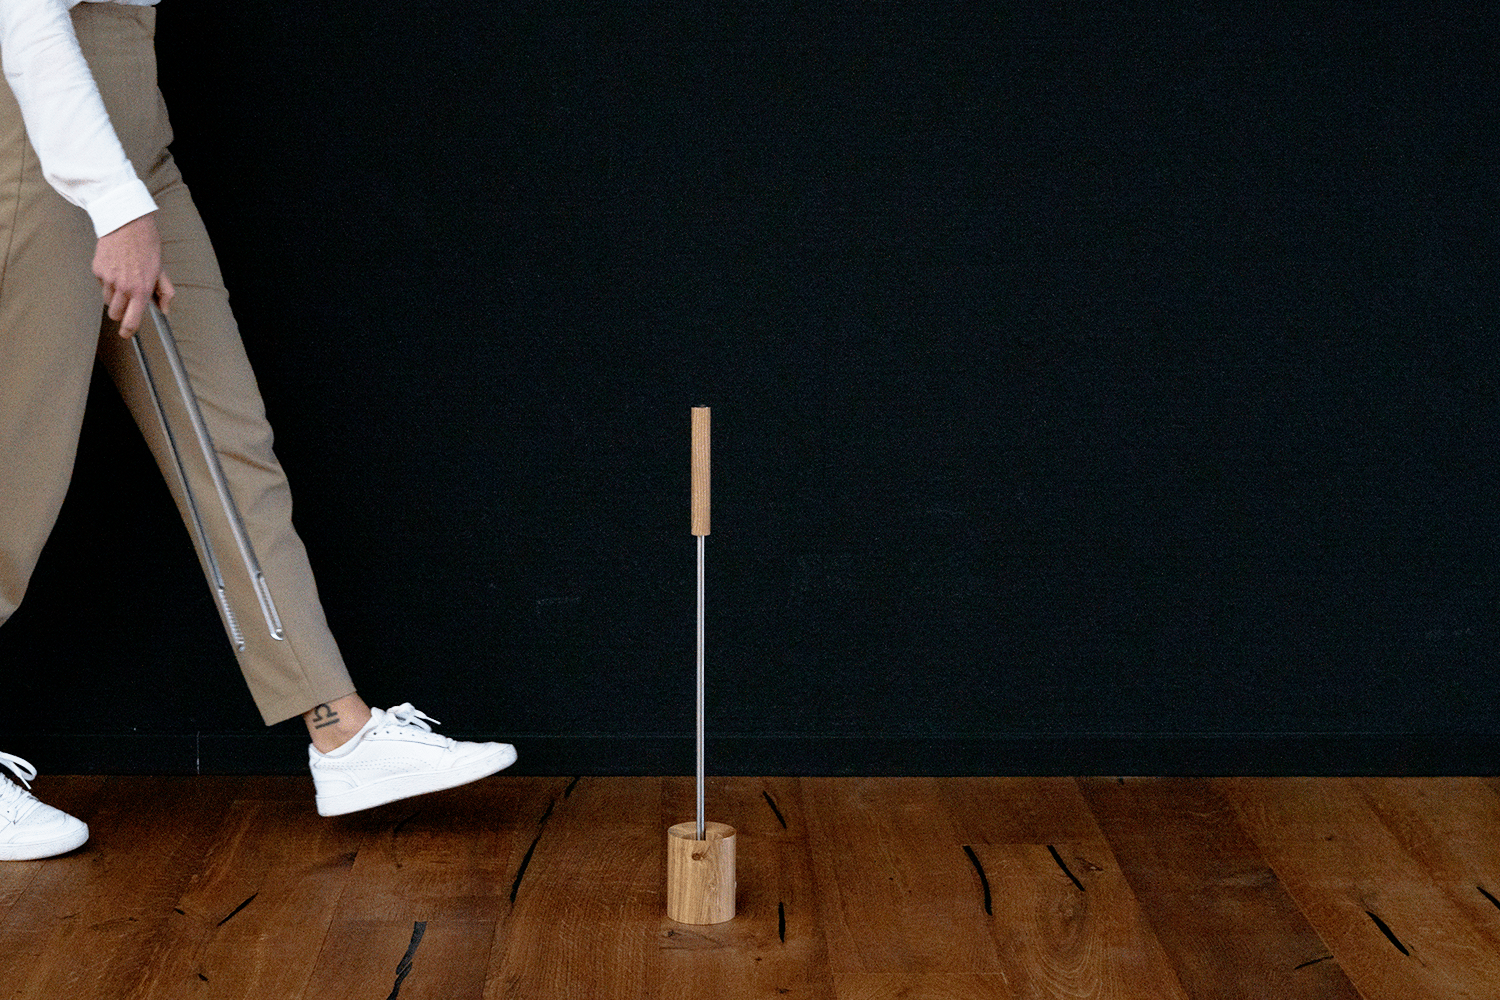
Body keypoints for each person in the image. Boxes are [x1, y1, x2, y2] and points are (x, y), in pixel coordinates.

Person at [0, 0, 515, 861]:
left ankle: (339, 730)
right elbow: (24, 14)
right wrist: (111, 200)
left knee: (224, 439)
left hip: (128, 127)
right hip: (42, 137)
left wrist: (126, 187)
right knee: (15, 470)